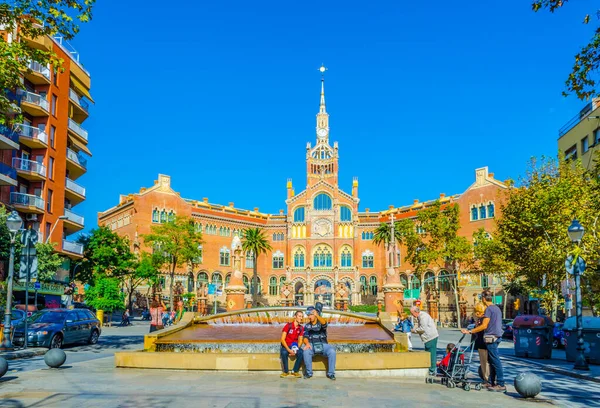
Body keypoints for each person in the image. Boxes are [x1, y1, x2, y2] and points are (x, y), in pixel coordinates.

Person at [462, 290, 505, 392]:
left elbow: (484, 325)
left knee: (495, 361)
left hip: (491, 337)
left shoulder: (489, 309)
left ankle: (501, 383)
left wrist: (470, 331)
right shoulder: (497, 308)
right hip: (497, 336)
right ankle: (492, 382)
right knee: (492, 361)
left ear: (484, 299)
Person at [303, 305, 336, 380]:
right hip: (312, 345)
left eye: (311, 315)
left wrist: (317, 315)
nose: (309, 317)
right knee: (306, 352)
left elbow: (324, 323)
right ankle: (309, 373)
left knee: (332, 352)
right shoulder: (307, 326)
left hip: (323, 345)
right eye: (308, 315)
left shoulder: (320, 323)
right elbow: (305, 337)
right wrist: (307, 343)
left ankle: (331, 374)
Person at [410, 306, 439, 377]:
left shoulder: (423, 316)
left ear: (416, 312)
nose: (412, 315)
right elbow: (418, 325)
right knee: (428, 352)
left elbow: (423, 328)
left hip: (430, 337)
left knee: (431, 353)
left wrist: (414, 331)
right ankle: (430, 368)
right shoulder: (420, 316)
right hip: (428, 338)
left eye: (412, 313)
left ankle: (432, 369)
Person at [280, 310, 305, 378]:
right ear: (295, 317)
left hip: (295, 346)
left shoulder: (301, 328)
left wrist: (295, 350)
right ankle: (285, 371)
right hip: (286, 346)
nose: (301, 318)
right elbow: (282, 339)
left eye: (302, 316)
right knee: (284, 352)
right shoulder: (288, 325)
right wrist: (289, 350)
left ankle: (295, 371)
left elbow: (300, 341)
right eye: (299, 316)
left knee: (301, 352)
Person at [472, 302, 490, 385]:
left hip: (482, 343)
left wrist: (471, 330)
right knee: (487, 361)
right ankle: (488, 377)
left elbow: (479, 330)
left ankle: (486, 379)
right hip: (485, 342)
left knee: (484, 362)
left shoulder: (482, 320)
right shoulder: (486, 318)